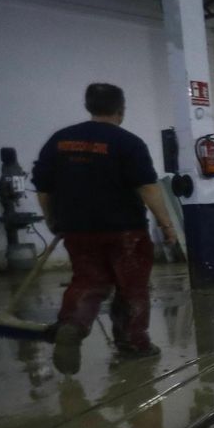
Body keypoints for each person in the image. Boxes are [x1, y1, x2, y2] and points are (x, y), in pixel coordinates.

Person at [32, 81, 177, 374]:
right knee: (132, 286)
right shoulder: (128, 142)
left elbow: (44, 188)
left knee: (87, 281)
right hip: (125, 230)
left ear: (89, 106)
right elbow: (148, 188)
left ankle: (71, 325)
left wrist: (52, 219)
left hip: (77, 229)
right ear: (120, 110)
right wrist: (166, 224)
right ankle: (134, 343)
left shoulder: (60, 140)